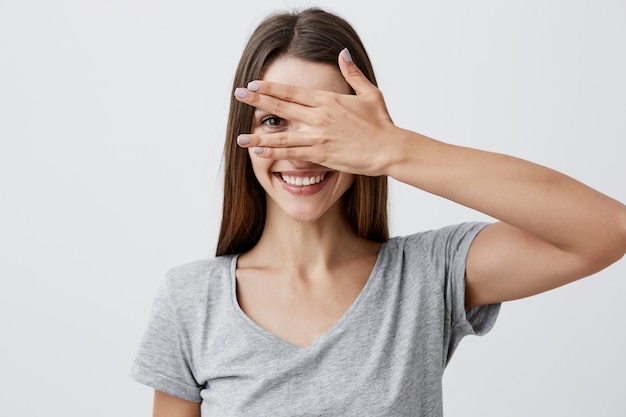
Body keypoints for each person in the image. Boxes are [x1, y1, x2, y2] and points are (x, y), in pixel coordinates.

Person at [131, 8, 626, 417]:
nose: (303, 149)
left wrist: (393, 149)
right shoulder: (191, 300)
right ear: (244, 134)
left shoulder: (429, 275)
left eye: (329, 122)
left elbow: (607, 230)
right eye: (276, 121)